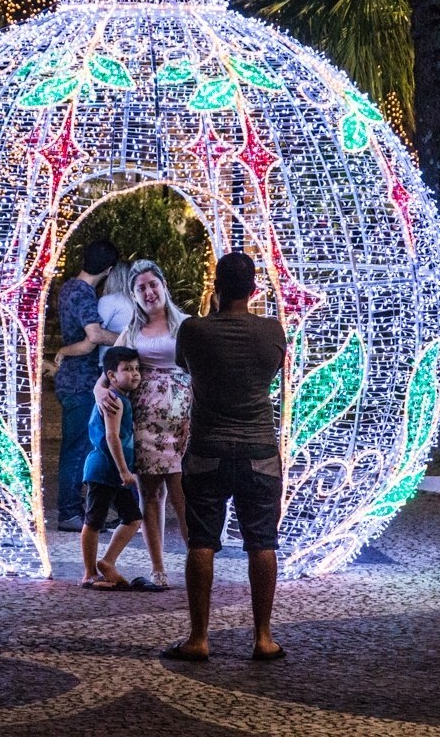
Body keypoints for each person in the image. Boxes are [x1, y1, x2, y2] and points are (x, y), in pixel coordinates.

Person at [162, 251, 288, 662]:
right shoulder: (271, 332)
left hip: (208, 449)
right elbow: (270, 374)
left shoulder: (194, 331)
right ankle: (263, 637)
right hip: (259, 451)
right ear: (253, 289)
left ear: (215, 288)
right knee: (262, 543)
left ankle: (199, 638)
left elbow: (186, 366)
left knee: (202, 542)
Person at [95, 259, 191, 589]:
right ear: (134, 296)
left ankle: (197, 561)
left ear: (163, 286)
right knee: (150, 495)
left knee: (183, 494)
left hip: (181, 424)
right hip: (145, 423)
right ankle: (158, 568)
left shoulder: (186, 327)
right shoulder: (131, 331)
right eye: (141, 288)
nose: (149, 292)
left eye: (153, 285)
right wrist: (101, 396)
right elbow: (105, 376)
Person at [53, 239, 121, 532]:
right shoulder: (84, 293)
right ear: (108, 269)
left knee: (78, 446)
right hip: (80, 381)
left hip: (70, 379)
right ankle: (69, 512)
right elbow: (93, 336)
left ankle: (75, 509)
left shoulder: (68, 288)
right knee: (77, 448)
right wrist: (125, 338)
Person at [79, 347, 158, 591]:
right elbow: (112, 437)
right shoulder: (113, 400)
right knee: (94, 520)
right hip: (104, 469)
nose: (134, 374)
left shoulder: (121, 398)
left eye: (136, 369)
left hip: (114, 471)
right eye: (127, 369)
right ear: (111, 376)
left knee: (133, 518)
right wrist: (125, 470)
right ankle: (89, 572)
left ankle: (107, 561)